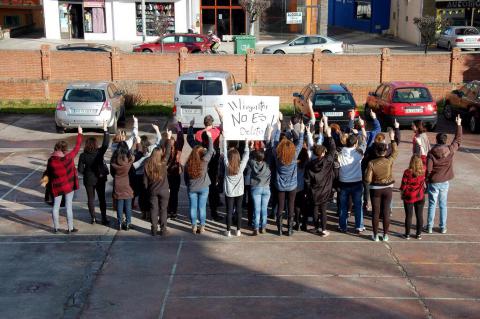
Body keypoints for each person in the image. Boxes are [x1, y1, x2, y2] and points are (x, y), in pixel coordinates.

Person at [425, 115, 462, 234]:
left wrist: (427, 180)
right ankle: (442, 227)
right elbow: (458, 140)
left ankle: (430, 226)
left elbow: (429, 170)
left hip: (434, 182)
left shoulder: (431, 153)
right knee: (443, 205)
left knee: (432, 204)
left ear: (436, 140)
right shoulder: (450, 150)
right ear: (445, 141)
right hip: (444, 182)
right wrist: (459, 125)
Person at [46, 126, 83, 233]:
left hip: (56, 187)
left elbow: (48, 173)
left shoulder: (51, 160)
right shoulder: (69, 157)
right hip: (68, 186)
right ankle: (70, 228)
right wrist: (79, 133)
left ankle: (56, 228)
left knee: (56, 207)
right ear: (65, 149)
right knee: (68, 206)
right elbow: (77, 146)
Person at [364, 129, 398, 242]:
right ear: (384, 151)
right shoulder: (389, 161)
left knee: (376, 212)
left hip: (375, 189)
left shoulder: (371, 163)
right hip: (388, 188)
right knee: (386, 211)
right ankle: (385, 235)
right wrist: (392, 139)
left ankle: (375, 235)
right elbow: (395, 152)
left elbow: (368, 179)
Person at [273, 119, 305, 236]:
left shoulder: (277, 156)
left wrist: (278, 129)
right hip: (292, 185)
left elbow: (275, 143)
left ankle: (280, 229)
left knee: (281, 206)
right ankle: (290, 229)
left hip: (280, 185)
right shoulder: (294, 155)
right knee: (291, 205)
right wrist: (300, 131)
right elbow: (300, 143)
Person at [188, 115, 222, 221]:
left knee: (200, 187)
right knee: (213, 187)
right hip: (213, 163)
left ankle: (197, 216)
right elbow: (224, 126)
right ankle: (214, 212)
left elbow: (190, 139)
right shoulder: (216, 131)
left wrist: (191, 126)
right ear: (212, 123)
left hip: (201, 163)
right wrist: (220, 115)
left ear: (204, 123)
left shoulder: (198, 134)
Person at [304, 123, 336, 237]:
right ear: (323, 153)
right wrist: (329, 136)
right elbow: (333, 150)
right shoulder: (327, 162)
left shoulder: (309, 165)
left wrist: (308, 191)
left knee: (315, 209)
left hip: (314, 191)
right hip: (325, 191)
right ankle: (323, 229)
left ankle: (316, 227)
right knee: (323, 210)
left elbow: (307, 180)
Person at [337, 118, 367, 234]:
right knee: (358, 205)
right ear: (355, 144)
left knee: (343, 206)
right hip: (356, 182)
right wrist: (362, 126)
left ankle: (342, 226)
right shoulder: (359, 153)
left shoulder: (340, 154)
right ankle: (359, 226)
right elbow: (365, 140)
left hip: (344, 182)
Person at [78, 121, 109, 225]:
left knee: (90, 199)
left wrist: (86, 172)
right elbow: (105, 144)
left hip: (89, 179)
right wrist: (105, 131)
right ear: (96, 144)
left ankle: (93, 218)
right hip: (99, 178)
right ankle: (104, 218)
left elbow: (80, 170)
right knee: (102, 198)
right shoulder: (99, 153)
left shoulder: (83, 155)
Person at [185, 131, 214, 234]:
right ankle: (202, 226)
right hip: (204, 187)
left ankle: (194, 226)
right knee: (202, 208)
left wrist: (188, 185)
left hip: (192, 188)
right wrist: (210, 138)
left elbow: (185, 178)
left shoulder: (188, 164)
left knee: (193, 207)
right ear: (202, 154)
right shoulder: (205, 161)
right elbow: (211, 151)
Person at [222, 138, 250, 237]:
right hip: (239, 192)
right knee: (239, 211)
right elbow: (246, 156)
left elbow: (225, 154)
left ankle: (228, 231)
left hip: (229, 192)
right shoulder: (240, 167)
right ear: (238, 157)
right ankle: (238, 230)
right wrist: (246, 144)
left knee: (229, 211)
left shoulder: (227, 166)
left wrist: (224, 141)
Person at [144, 138, 171, 236]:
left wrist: (148, 189)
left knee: (153, 209)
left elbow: (145, 180)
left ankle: (154, 229)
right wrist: (168, 139)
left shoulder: (147, 163)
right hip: (164, 190)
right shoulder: (163, 163)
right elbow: (168, 152)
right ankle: (163, 229)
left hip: (153, 190)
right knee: (163, 210)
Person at [400, 155, 426, 240]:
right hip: (420, 195)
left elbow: (403, 185)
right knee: (419, 215)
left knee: (408, 215)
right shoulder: (423, 170)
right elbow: (425, 158)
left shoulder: (407, 172)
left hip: (409, 196)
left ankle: (407, 234)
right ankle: (418, 234)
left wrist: (402, 193)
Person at [111, 142, 135, 230]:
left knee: (119, 204)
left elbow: (112, 172)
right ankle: (128, 223)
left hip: (117, 183)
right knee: (128, 205)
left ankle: (120, 223)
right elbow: (132, 172)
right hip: (127, 183)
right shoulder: (129, 161)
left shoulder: (114, 160)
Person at [249, 146, 272, 236]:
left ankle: (256, 228)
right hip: (266, 188)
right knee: (264, 209)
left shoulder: (252, 163)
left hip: (256, 188)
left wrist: (250, 147)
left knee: (256, 209)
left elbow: (249, 156)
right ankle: (263, 227)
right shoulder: (267, 165)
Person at [166, 121, 185, 220]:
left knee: (168, 194)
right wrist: (179, 127)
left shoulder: (165, 152)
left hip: (167, 175)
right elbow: (181, 139)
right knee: (174, 194)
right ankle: (174, 212)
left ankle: (168, 211)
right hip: (176, 174)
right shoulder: (178, 150)